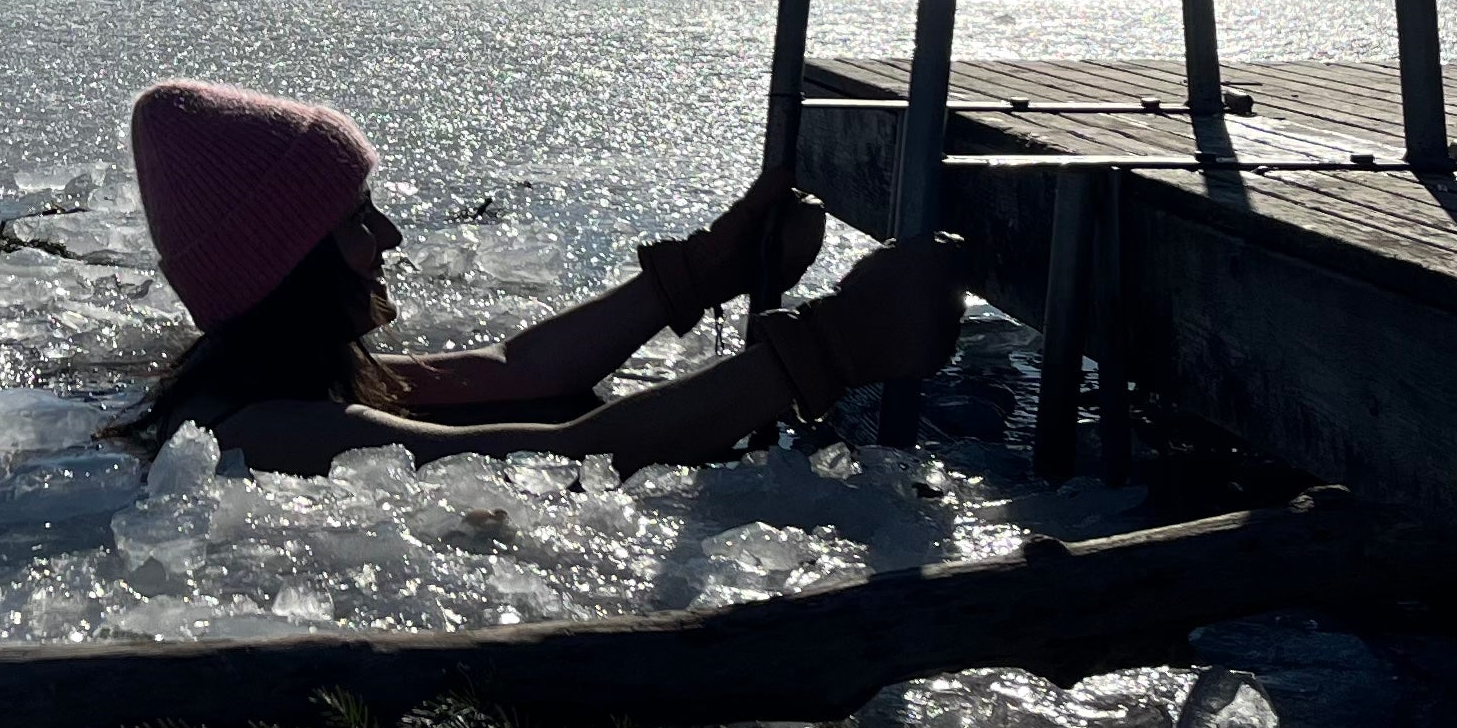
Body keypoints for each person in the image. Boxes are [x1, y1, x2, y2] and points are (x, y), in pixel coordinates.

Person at [111, 76, 965, 475]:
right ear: (287, 265)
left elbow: (513, 372)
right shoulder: (269, 430)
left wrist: (706, 269)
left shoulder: (277, 376)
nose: (390, 236)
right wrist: (836, 349)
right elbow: (568, 457)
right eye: (356, 221)